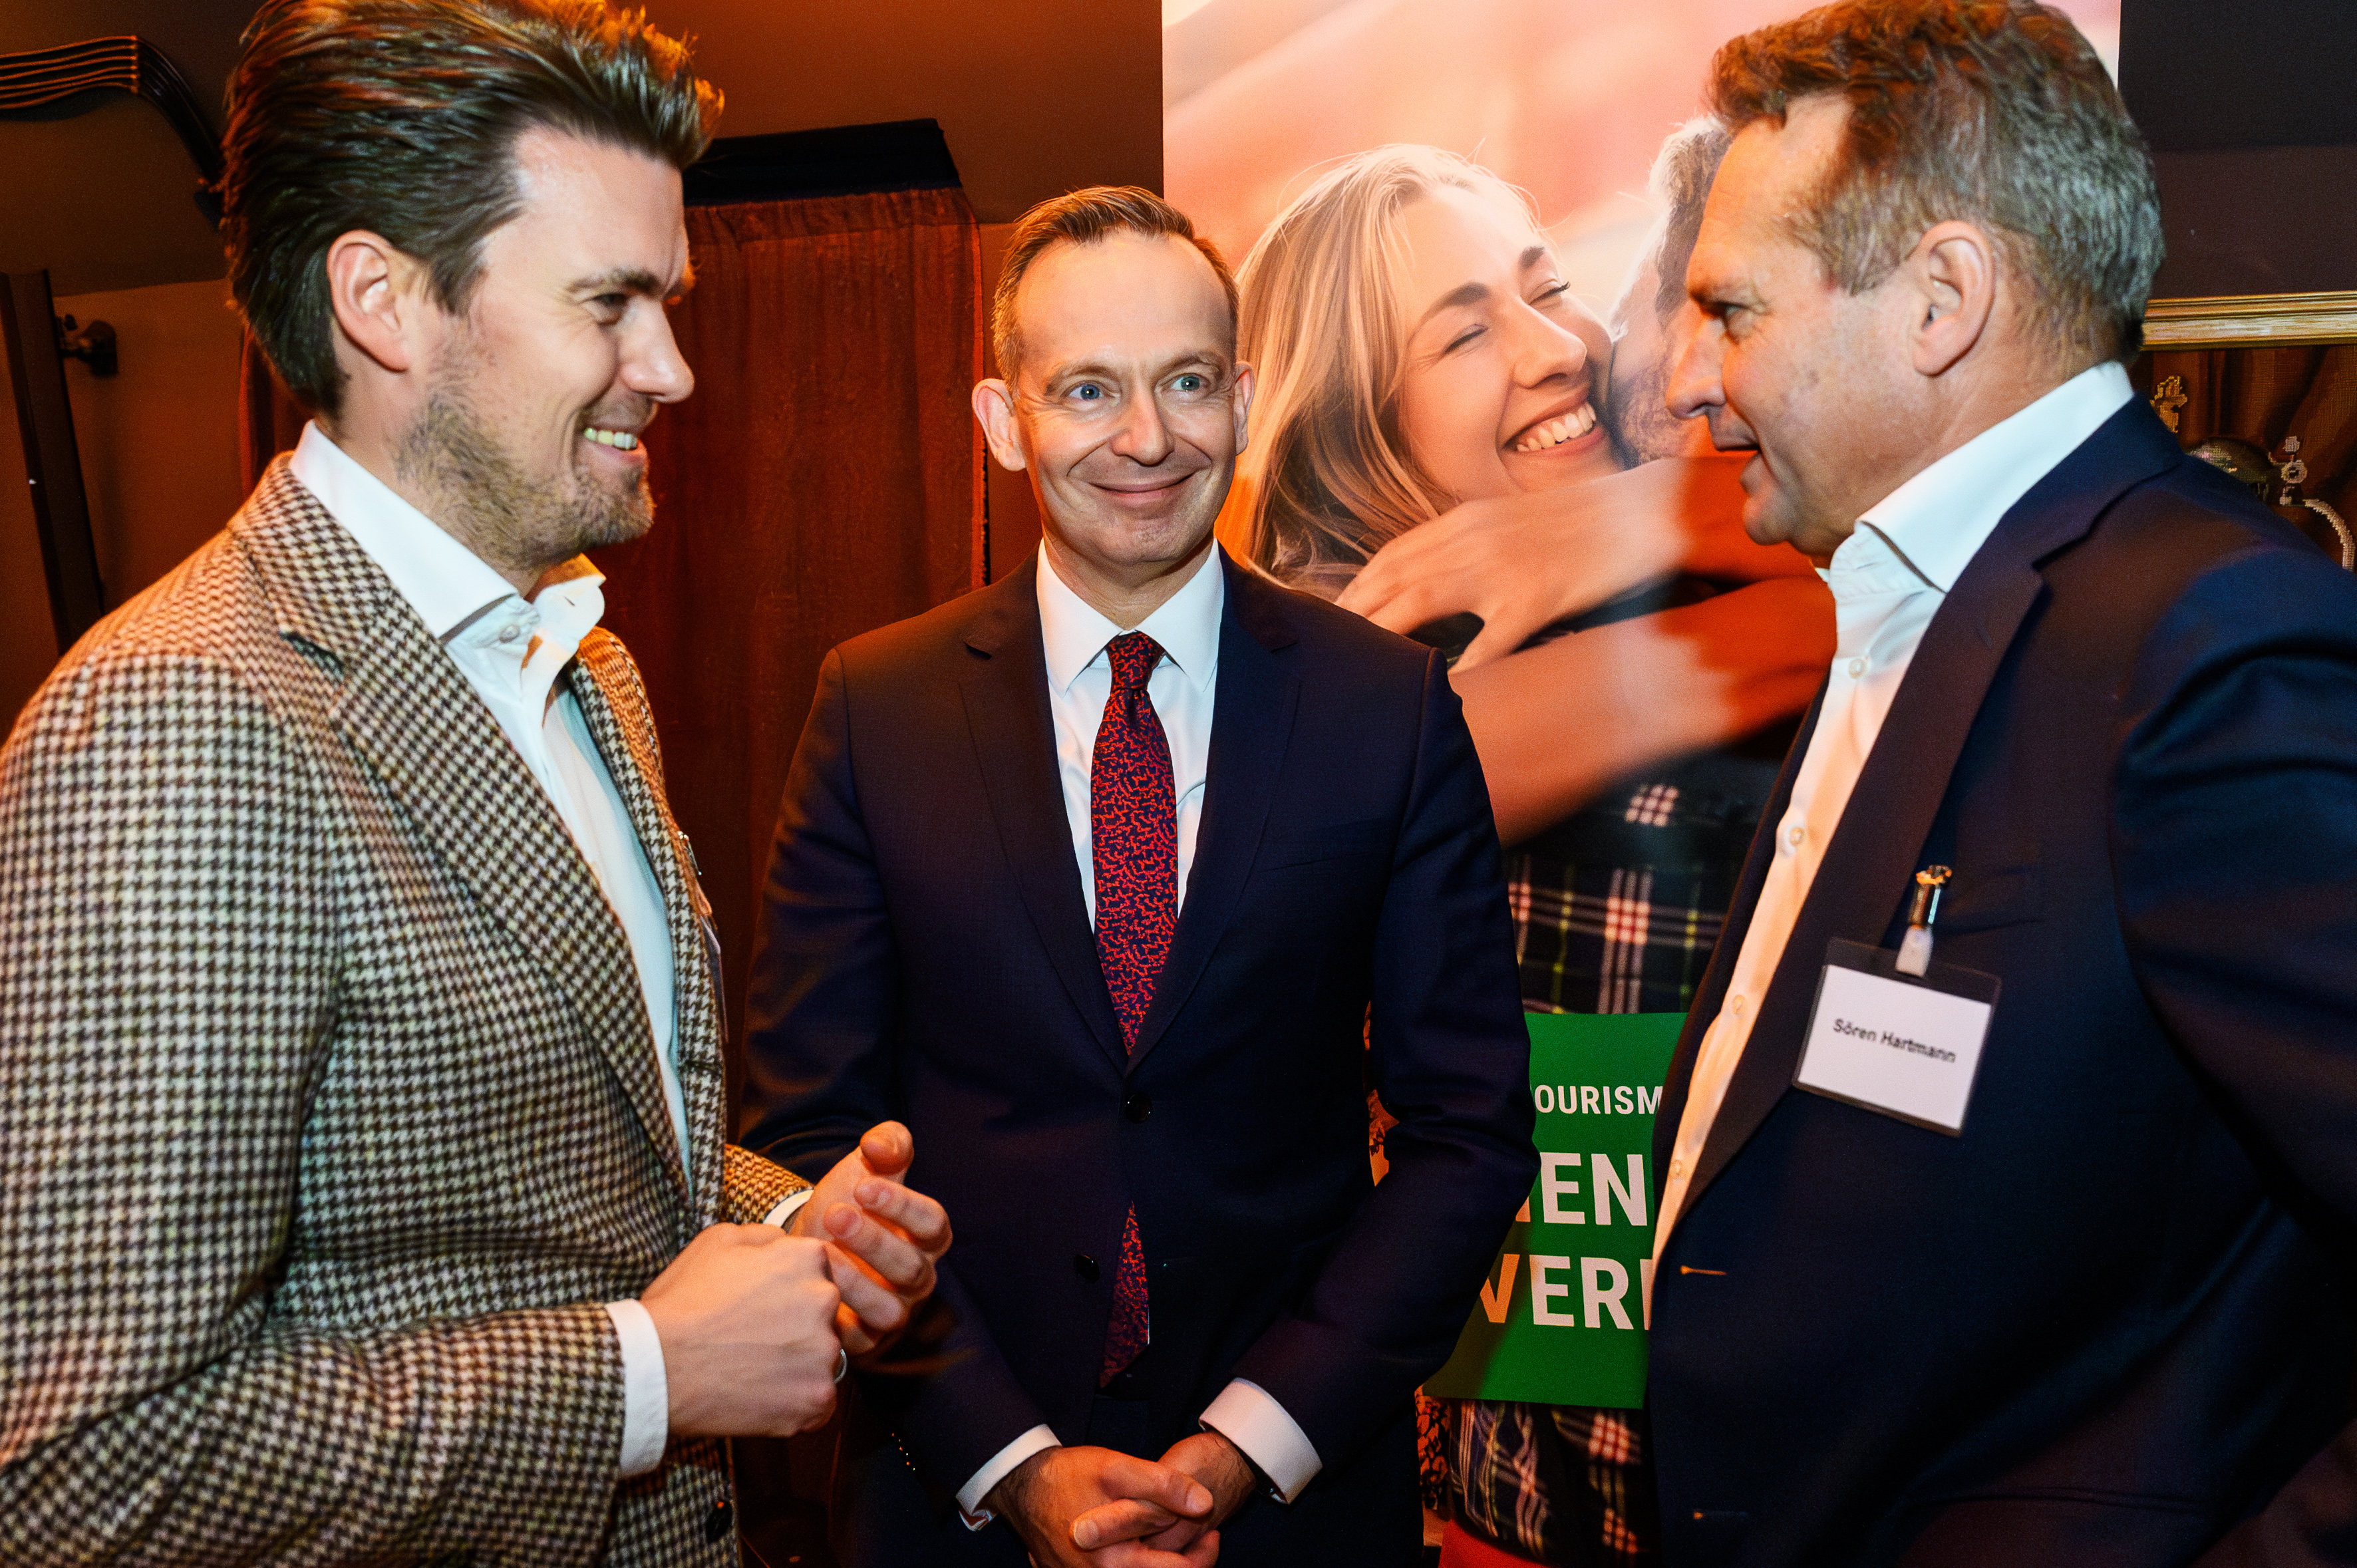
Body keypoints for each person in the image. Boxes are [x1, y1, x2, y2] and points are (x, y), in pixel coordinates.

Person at [0, 3, 949, 1562]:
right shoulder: (179, 717)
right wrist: (643, 1380)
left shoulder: (585, 665)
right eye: (608, 303)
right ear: (382, 301)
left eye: (666, 303)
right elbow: (82, 1470)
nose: (671, 369)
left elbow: (550, 1149)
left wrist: (788, 1224)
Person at [1645, 3, 2357, 1563]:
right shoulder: (1914, 603)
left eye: (1728, 309)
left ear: (1940, 300)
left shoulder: (2205, 643)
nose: (1682, 374)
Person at [738, 186, 1537, 1567]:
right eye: (1088, 389)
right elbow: (805, 1135)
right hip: (951, 1495)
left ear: (1242, 396)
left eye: (1185, 382)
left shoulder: (1388, 707)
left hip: (1293, 1506)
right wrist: (1012, 1462)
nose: (1147, 437)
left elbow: (1465, 1133)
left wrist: (1247, 1445)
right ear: (1005, 421)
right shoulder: (877, 708)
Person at [1230, 134, 1827, 1566]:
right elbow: (1861, 622)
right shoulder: (1354, 666)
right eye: (1462, 332)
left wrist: (1627, 523)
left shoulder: (1672, 544)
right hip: (1526, 1473)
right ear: (1356, 427)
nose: (1555, 349)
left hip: (1793, 1431)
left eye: (1547, 288)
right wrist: (1647, 518)